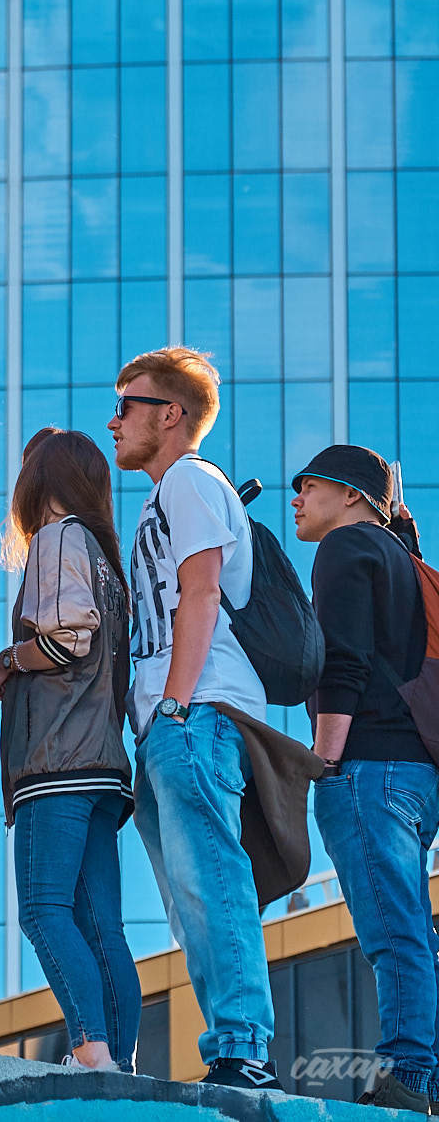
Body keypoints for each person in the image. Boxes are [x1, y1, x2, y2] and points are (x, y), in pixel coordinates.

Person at [108, 346, 275, 1090]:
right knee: (191, 901)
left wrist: (174, 705)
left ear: (170, 414)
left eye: (127, 405)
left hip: (197, 713)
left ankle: (245, 1050)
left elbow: (201, 594)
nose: (114, 422)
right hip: (170, 723)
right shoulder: (160, 496)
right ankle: (235, 1047)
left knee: (212, 883)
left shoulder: (190, 479)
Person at [292, 445, 435, 1112]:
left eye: (310, 484)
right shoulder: (408, 563)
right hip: (419, 773)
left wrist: (323, 759)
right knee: (411, 925)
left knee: (392, 927)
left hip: (369, 766)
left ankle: (410, 1072)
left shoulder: (346, 549)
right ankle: (424, 1068)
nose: (297, 495)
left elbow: (341, 663)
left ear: (352, 497)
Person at [0, 429, 138, 1071]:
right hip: (104, 766)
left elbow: (67, 640)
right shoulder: (107, 561)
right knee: (102, 922)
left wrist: (8, 661)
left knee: (43, 909)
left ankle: (90, 1047)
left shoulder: (57, 538)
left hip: (56, 762)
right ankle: (119, 1061)